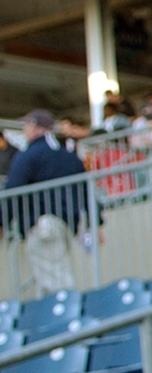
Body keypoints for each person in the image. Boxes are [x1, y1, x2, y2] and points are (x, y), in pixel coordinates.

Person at [6, 110, 91, 296]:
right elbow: (86, 189)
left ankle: (71, 316)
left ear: (36, 127)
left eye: (27, 125)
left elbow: (13, 188)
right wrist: (95, 222)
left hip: (42, 224)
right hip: (66, 223)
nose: (25, 130)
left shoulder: (29, 154)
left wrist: (2, 221)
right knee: (47, 282)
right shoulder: (67, 155)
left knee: (57, 281)